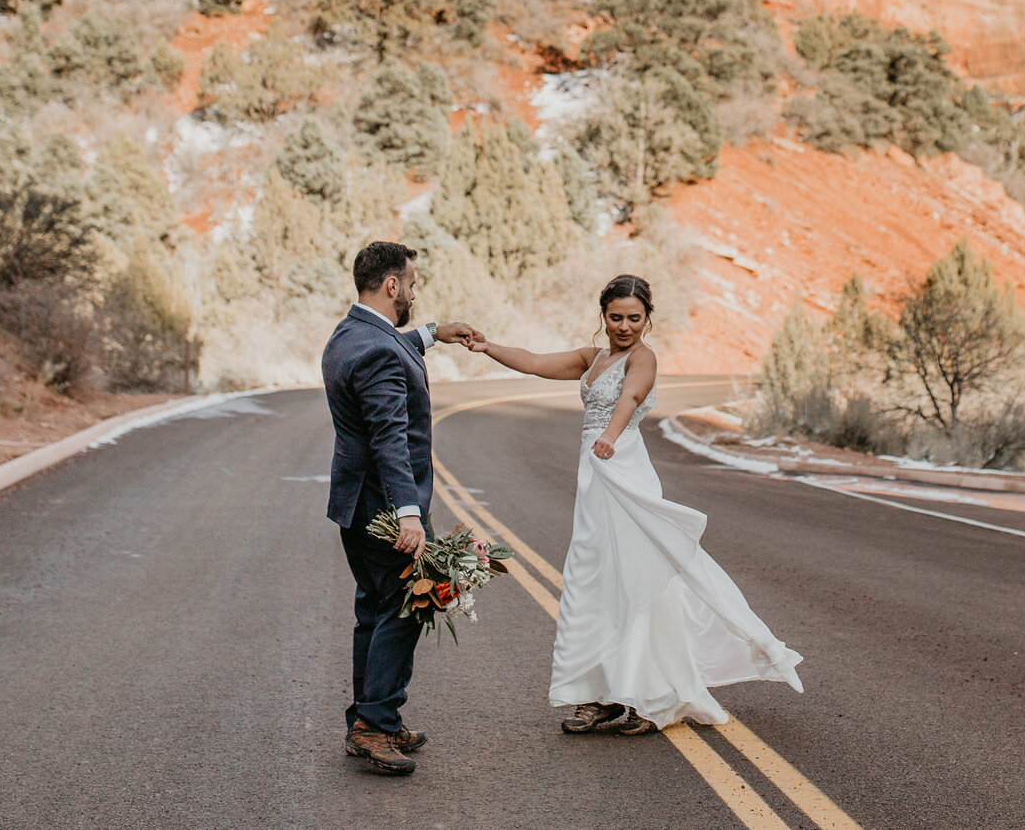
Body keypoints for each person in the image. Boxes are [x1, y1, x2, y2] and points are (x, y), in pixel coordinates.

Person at [469, 273, 803, 734]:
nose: (624, 326)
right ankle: (598, 694)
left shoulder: (643, 358)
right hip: (595, 477)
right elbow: (534, 362)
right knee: (592, 577)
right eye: (615, 317)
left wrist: (608, 435)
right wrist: (490, 348)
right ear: (603, 316)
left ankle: (653, 695)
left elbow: (631, 397)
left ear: (647, 318)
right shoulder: (595, 356)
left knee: (637, 576)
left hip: (622, 467)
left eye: (634, 318)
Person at [321, 241, 482, 776]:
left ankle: (370, 720)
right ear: (392, 285)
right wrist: (409, 515)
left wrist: (436, 333)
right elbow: (390, 436)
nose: (413, 292)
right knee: (407, 607)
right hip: (386, 509)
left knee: (374, 608)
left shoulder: (349, 335)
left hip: (354, 503)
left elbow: (391, 347)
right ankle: (374, 724)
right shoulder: (377, 351)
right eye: (411, 284)